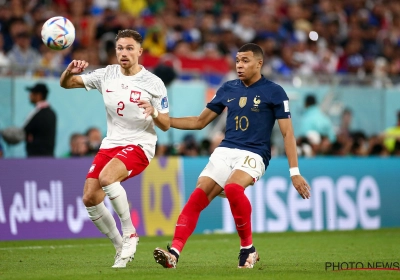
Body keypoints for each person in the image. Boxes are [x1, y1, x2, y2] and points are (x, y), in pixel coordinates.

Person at [153, 43, 311, 269]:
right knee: (198, 196)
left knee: (233, 188)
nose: (239, 65)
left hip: (255, 153)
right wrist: (163, 120)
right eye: (237, 60)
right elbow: (199, 122)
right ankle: (174, 253)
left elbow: (288, 133)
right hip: (226, 150)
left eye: (245, 61)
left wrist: (294, 172)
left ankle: (248, 248)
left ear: (259, 63)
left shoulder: (274, 91)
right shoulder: (228, 88)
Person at [59, 29, 170, 268]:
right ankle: (120, 245)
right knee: (90, 197)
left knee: (107, 178)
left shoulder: (153, 83)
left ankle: (130, 233)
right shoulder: (106, 74)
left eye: (130, 48)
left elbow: (166, 125)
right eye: (120, 48)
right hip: (112, 143)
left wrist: (155, 112)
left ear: (140, 51)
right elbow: (67, 84)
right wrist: (69, 71)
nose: (124, 53)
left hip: (140, 144)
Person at [24, 83, 57, 157]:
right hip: (48, 155)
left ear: (39, 95)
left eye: (32, 93)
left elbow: (25, 131)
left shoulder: (38, 113)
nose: (30, 95)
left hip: (36, 157)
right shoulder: (51, 113)